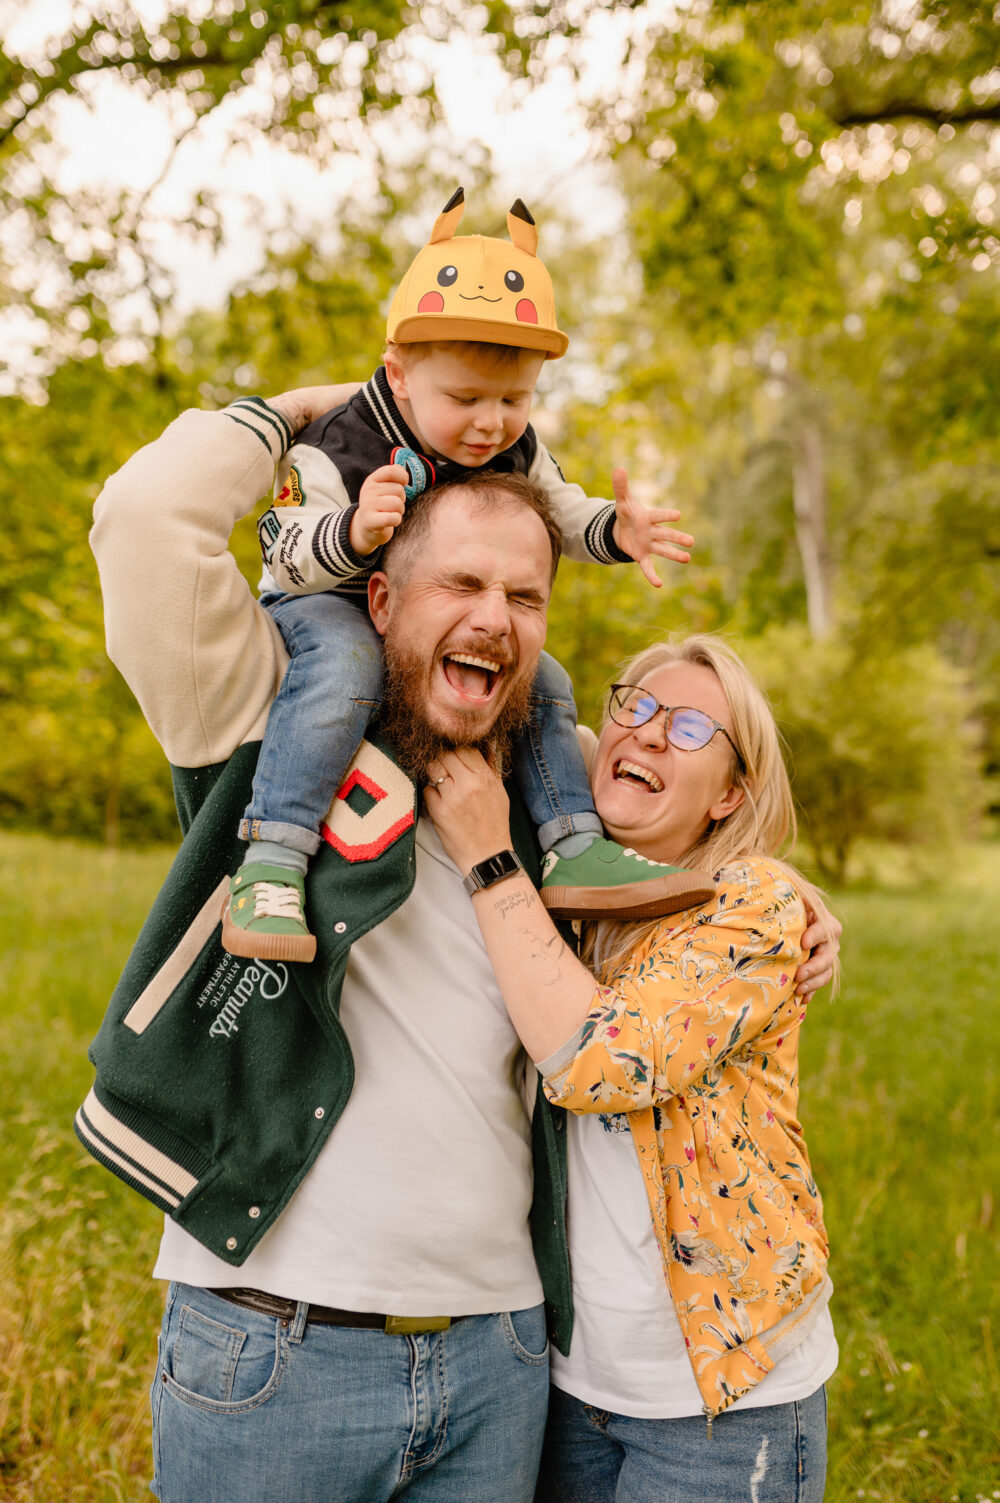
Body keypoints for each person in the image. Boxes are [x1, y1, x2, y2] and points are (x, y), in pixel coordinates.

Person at [81, 387, 838, 1502]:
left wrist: (785, 898)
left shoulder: (545, 789)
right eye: (460, 584)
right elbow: (145, 517)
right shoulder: (263, 711)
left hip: (504, 1358)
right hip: (277, 1338)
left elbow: (682, 807)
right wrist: (311, 408)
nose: (495, 618)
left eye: (526, 596)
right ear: (380, 597)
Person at [224, 186, 711, 964]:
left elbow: (561, 511)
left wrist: (616, 531)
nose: (492, 421)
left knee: (545, 678)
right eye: (466, 397)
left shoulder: (513, 446)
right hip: (327, 601)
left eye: (515, 398)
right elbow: (281, 547)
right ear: (399, 372)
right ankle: (273, 859)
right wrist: (351, 530)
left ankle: (572, 846)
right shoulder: (338, 444)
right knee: (345, 665)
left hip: (437, 623)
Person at [425, 635, 839, 1502]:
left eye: (689, 727)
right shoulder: (575, 885)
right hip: (568, 1382)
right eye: (638, 706)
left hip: (725, 1395)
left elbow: (600, 1060)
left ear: (730, 793)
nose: (648, 731)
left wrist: (489, 859)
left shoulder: (754, 904)